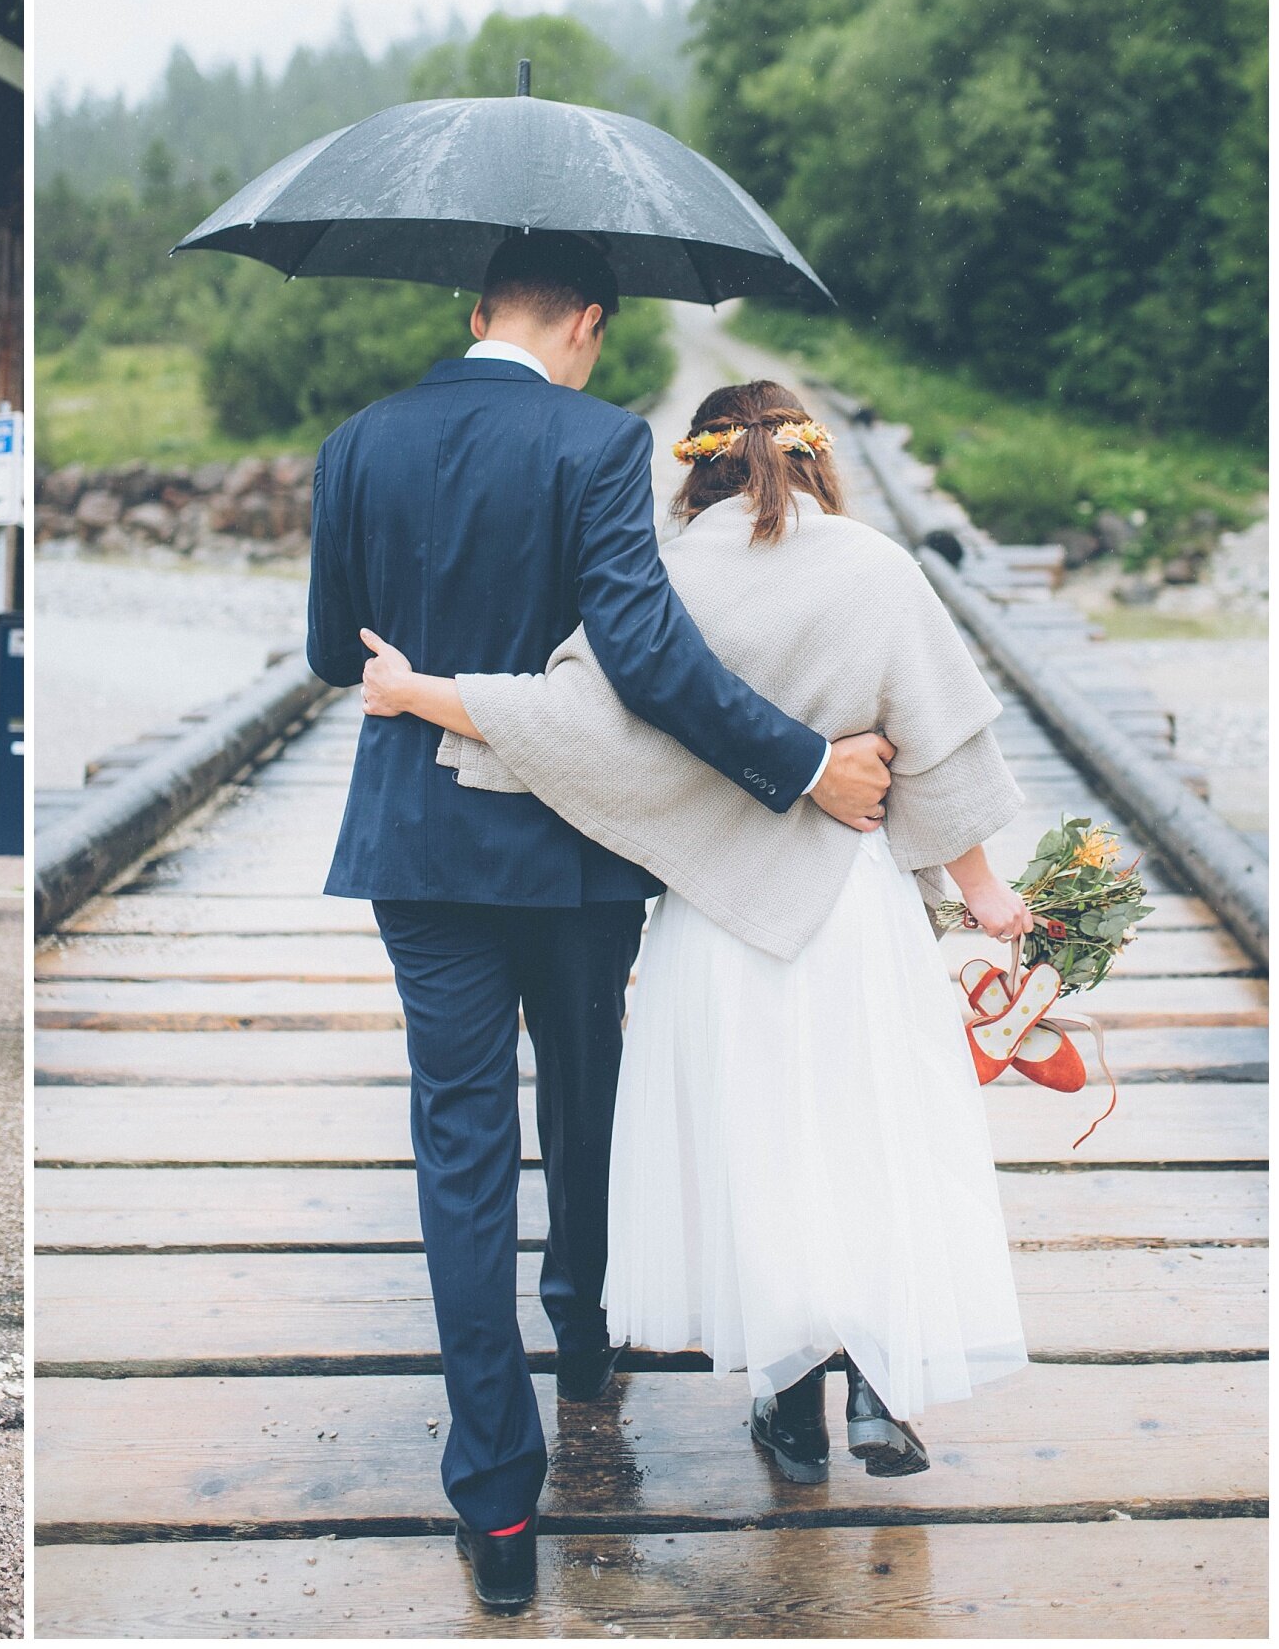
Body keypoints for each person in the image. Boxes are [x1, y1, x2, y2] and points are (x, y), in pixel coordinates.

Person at [304, 232, 896, 1613]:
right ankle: (582, 1337)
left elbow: (339, 652)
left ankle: (497, 1511)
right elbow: (644, 655)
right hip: (575, 846)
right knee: (584, 1094)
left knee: (459, 1144)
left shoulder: (357, 442)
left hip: (418, 843)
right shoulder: (597, 445)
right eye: (600, 335)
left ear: (470, 312)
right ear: (584, 319)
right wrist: (801, 762)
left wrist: (427, 663)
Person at [359, 378, 1033, 1496]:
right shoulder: (878, 568)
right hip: (850, 911)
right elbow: (942, 751)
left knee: (757, 1150)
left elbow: (573, 723)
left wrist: (419, 693)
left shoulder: (663, 579)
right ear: (813, 457)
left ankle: (791, 1403)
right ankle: (871, 1372)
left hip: (718, 920)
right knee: (866, 1130)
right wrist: (989, 893)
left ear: (697, 465)